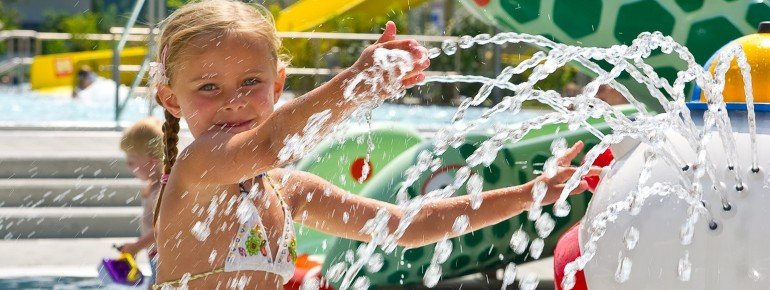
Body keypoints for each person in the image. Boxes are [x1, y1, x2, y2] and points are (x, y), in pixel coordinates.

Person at [149, 1, 596, 289]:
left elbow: (407, 226)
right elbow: (271, 143)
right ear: (172, 100)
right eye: (208, 87)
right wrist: (354, 85)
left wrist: (530, 192)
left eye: (251, 81)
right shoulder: (197, 167)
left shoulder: (288, 193)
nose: (234, 101)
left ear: (278, 84)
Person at [116, 117, 164, 289]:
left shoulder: (161, 191)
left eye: (131, 162)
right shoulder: (153, 188)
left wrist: (136, 246)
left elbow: (164, 229)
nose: (129, 167)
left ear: (150, 160)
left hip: (165, 257)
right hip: (155, 256)